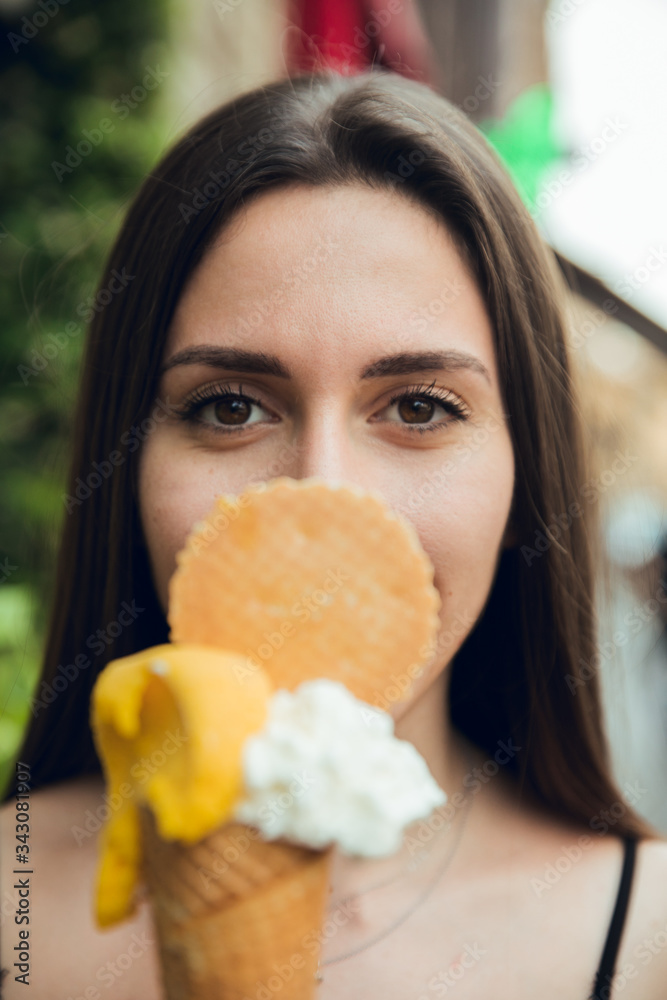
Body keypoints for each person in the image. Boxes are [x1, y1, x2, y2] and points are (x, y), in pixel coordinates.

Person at [1, 70, 666, 1000]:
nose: (321, 495)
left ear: (525, 476)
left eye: (421, 408)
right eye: (229, 407)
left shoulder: (647, 939)